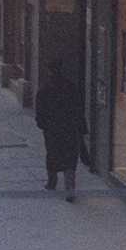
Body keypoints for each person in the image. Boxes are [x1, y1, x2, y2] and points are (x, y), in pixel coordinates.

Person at [35, 59, 87, 202]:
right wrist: (82, 127)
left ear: (49, 71)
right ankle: (69, 188)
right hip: (69, 128)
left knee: (52, 154)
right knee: (70, 158)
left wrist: (43, 124)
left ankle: (52, 182)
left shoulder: (44, 89)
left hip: (52, 129)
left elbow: (40, 113)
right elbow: (78, 108)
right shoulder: (70, 87)